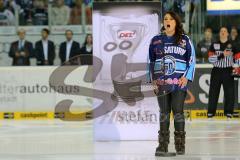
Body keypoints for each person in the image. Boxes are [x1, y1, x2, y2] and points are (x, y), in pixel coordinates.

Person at [149, 11, 195, 156]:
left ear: (176, 22)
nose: (167, 21)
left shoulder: (184, 40)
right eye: (165, 19)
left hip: (178, 83)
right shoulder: (156, 40)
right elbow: (150, 61)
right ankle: (162, 145)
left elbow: (192, 60)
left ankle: (180, 145)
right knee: (163, 113)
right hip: (162, 83)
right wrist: (153, 80)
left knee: (178, 112)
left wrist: (186, 77)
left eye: (170, 19)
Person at [207, 27, 240, 118]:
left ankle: (228, 113)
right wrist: (222, 55)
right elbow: (210, 59)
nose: (223, 32)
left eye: (225, 31)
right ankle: (211, 113)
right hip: (216, 71)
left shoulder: (233, 45)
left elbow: (238, 58)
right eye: (221, 31)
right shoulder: (214, 44)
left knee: (229, 93)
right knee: (213, 92)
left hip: (228, 71)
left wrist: (236, 67)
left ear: (228, 34)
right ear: (219, 33)